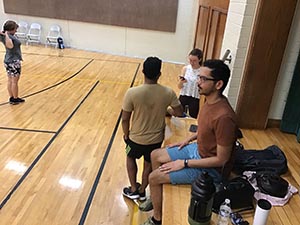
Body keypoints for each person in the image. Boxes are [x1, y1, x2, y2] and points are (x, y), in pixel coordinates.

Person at [141, 59, 238, 225]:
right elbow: (205, 129)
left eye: (203, 79)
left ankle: (157, 219)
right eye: (199, 77)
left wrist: (184, 163)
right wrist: (188, 139)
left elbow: (221, 159)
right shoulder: (209, 100)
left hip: (210, 170)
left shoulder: (224, 117)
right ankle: (158, 198)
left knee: (154, 177)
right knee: (155, 154)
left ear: (218, 84)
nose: (198, 82)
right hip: (197, 150)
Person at [122, 56, 183, 201]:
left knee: (130, 157)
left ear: (143, 71)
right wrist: (166, 109)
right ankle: (143, 190)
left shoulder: (132, 92)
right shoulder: (168, 92)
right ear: (159, 74)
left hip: (135, 139)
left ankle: (133, 189)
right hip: (156, 140)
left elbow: (125, 118)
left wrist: (126, 134)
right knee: (148, 164)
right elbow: (179, 113)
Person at [0, 20, 25, 105]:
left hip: (8, 60)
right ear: (10, 29)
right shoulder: (8, 37)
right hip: (13, 61)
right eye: (15, 29)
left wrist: (4, 33)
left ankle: (12, 97)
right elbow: (10, 46)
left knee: (10, 80)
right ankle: (15, 98)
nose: (16, 31)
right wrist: (6, 34)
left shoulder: (3, 35)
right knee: (14, 81)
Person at [177, 48, 203, 118]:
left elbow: (203, 87)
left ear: (199, 60)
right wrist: (181, 81)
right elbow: (179, 87)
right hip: (183, 95)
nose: (192, 63)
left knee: (193, 117)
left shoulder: (202, 71)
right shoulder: (185, 68)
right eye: (190, 60)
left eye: (194, 61)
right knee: (179, 116)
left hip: (195, 97)